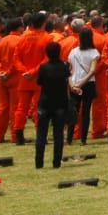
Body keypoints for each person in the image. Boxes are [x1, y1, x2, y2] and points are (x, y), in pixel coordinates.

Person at [11, 13, 50, 145]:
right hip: (40, 78)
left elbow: (16, 58)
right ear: (43, 23)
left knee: (21, 108)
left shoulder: (22, 38)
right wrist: (33, 71)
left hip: (24, 78)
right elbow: (46, 59)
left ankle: (19, 136)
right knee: (40, 108)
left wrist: (24, 71)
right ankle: (41, 136)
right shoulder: (47, 38)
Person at [35, 41, 70, 169]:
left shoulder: (43, 67)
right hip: (60, 103)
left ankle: (39, 162)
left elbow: (39, 82)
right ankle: (57, 162)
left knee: (41, 134)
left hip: (45, 102)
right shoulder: (64, 67)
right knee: (58, 135)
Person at [67, 27, 100, 147]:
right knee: (86, 112)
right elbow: (92, 71)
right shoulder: (94, 52)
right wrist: (81, 84)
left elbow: (68, 70)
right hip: (88, 84)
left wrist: (73, 85)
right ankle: (83, 139)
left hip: (74, 83)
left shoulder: (73, 51)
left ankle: (69, 138)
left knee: (73, 111)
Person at [0, 18, 22, 143]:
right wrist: (8, 72)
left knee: (2, 107)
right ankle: (15, 136)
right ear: (19, 28)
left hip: (2, 79)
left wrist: (1, 72)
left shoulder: (1, 41)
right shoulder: (20, 41)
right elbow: (17, 61)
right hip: (15, 78)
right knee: (15, 108)